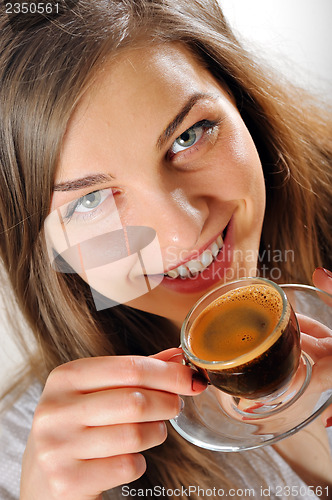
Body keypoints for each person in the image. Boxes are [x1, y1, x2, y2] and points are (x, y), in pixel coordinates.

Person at [0, 1, 331, 499]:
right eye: (90, 200)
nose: (182, 232)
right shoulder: (27, 459)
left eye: (188, 136)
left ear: (243, 105)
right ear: (46, 247)